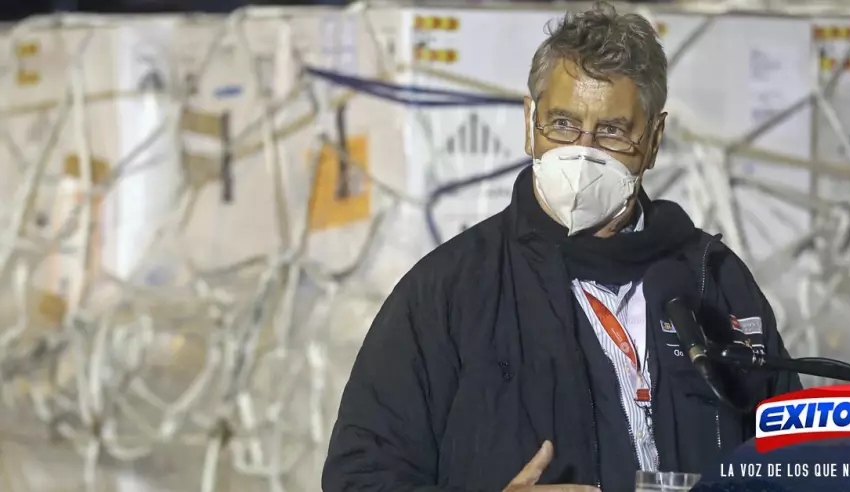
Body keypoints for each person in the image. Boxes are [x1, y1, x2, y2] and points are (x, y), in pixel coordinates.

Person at [322, 3, 802, 491]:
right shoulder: (449, 292)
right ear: (530, 122)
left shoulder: (712, 280)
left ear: (654, 139)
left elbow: (798, 461)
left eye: (612, 131)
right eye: (563, 125)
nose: (582, 153)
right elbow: (358, 478)